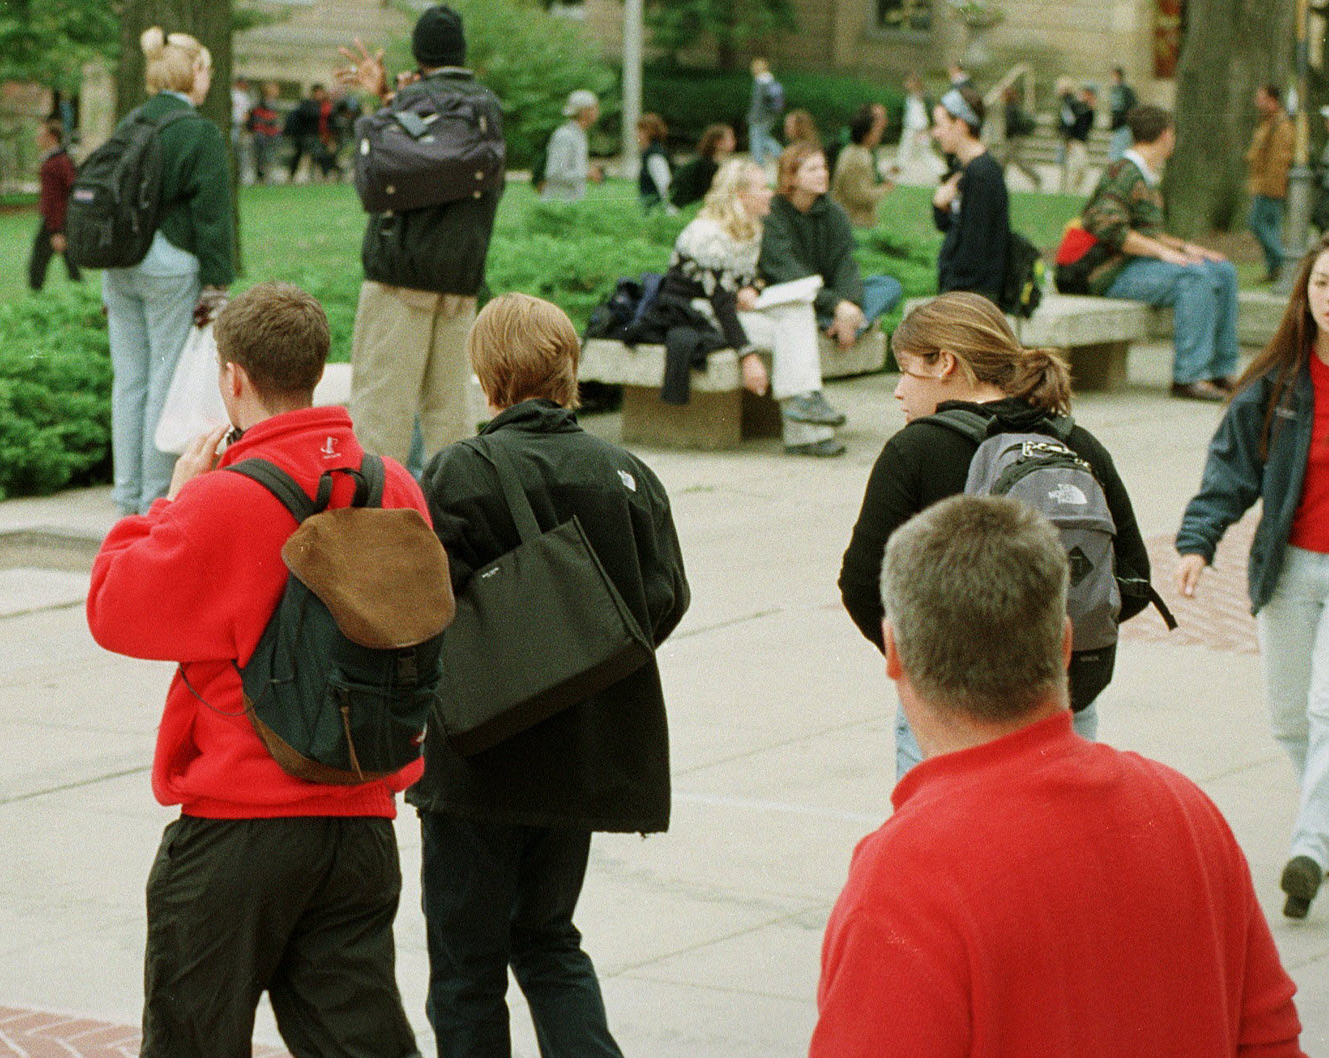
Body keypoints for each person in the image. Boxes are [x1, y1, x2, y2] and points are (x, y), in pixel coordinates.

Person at [813, 494, 1305, 1057]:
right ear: (1065, 644)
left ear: (894, 650)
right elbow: (1271, 1039)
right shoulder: (1182, 811)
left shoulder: (906, 878)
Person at [87, 280, 424, 1058]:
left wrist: (171, 503)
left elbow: (115, 610)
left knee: (193, 1038)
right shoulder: (394, 486)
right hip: (360, 818)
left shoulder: (226, 498)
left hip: (241, 821)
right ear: (317, 367)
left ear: (231, 377)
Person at [413, 292, 690, 1058]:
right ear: (568, 369)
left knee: (466, 967)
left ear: (488, 375)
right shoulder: (626, 472)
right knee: (548, 939)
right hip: (581, 756)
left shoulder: (461, 472)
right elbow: (664, 598)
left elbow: (421, 604)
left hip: (480, 760)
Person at [837, 291, 1154, 776]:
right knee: (1048, 840)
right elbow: (1132, 580)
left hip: (947, 704)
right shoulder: (1074, 442)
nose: (899, 390)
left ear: (946, 363)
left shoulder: (916, 450)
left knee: (946, 843)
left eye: (906, 370)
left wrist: (922, 663)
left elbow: (861, 583)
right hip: (1059, 700)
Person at [1176, 235, 1329, 920]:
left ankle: (1311, 848)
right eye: (1323, 285)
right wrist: (1197, 543)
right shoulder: (1280, 384)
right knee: (1289, 719)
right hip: (1289, 567)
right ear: (1306, 294)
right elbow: (1230, 471)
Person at [336, 5, 504, 470]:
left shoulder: (410, 101)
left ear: (419, 52)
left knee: (379, 419)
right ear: (461, 51)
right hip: (460, 283)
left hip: (398, 279)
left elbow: (409, 158)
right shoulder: (486, 107)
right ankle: (452, 529)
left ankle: (375, 532)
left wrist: (387, 96)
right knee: (450, 421)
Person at [100, 27, 235, 515]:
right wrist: (219, 281)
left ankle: (126, 497)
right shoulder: (198, 131)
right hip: (171, 266)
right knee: (165, 382)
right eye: (207, 71)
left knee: (129, 382)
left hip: (120, 264)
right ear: (194, 72)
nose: (209, 81)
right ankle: (157, 499)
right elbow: (213, 217)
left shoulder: (130, 123)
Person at [667, 158, 847, 457]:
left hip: (727, 309)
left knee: (797, 311)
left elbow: (747, 280)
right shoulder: (708, 234)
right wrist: (747, 355)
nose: (771, 193)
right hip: (695, 314)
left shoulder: (751, 228)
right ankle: (806, 430)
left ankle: (806, 407)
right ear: (740, 196)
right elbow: (720, 303)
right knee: (790, 327)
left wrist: (753, 288)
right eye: (763, 188)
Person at [1075, 103, 1239, 401]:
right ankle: (1189, 376)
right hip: (1112, 273)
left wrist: (1187, 248)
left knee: (1223, 270)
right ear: (1165, 135)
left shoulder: (1144, 175)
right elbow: (1106, 224)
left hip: (1138, 267)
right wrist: (1164, 254)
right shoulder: (1123, 173)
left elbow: (1147, 232)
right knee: (1196, 278)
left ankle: (1221, 370)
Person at [763, 144, 904, 355]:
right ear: (791, 178)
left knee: (887, 286)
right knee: (794, 304)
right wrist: (836, 305)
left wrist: (848, 305)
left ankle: (839, 324)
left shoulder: (834, 213)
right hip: (795, 296)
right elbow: (786, 273)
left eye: (824, 168)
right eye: (812, 169)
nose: (822, 174)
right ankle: (849, 324)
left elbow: (845, 264)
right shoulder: (773, 215)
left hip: (830, 300)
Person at [930, 87, 1010, 304]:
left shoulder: (982, 174)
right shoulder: (963, 169)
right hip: (961, 291)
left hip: (973, 297)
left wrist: (952, 291)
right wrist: (939, 206)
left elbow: (975, 249)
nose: (935, 133)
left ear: (961, 125)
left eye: (939, 125)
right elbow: (951, 226)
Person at [1248, 83, 1296, 283]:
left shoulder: (1282, 126)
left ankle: (1282, 262)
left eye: (1262, 99)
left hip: (1271, 187)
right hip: (1263, 185)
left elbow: (1280, 161)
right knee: (1270, 227)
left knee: (1256, 223)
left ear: (1273, 101)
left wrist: (1270, 188)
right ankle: (1275, 270)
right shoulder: (1269, 122)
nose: (1258, 103)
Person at [27, 118, 79, 293]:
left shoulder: (56, 164)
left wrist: (57, 230)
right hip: (59, 221)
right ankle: (81, 295)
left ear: (51, 137)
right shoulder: (60, 161)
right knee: (69, 263)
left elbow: (57, 199)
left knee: (38, 264)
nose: (37, 139)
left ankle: (37, 300)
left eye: (41, 135)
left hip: (56, 222)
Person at [829, 103, 893, 228]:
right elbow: (860, 196)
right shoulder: (858, 157)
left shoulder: (853, 151)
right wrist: (885, 189)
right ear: (866, 134)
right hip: (853, 221)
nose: (879, 134)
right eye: (876, 130)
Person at [541, 89, 601, 203]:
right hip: (557, 205)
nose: (597, 112)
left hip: (571, 204)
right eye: (594, 108)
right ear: (583, 111)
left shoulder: (580, 135)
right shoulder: (564, 136)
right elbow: (555, 173)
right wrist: (586, 174)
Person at [670, 123, 732, 210]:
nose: (733, 141)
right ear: (718, 142)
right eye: (730, 138)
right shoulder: (706, 167)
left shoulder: (712, 163)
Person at [896, 74, 942, 184]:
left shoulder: (924, 98)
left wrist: (926, 129)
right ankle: (898, 170)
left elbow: (926, 115)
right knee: (904, 150)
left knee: (925, 152)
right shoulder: (909, 98)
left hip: (921, 129)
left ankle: (940, 171)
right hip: (910, 128)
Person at [1056, 78, 1096, 194]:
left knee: (1078, 168)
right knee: (1075, 168)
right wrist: (1068, 140)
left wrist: (1091, 110)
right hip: (1074, 141)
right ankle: (1068, 192)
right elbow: (1069, 122)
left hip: (1080, 141)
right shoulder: (1076, 105)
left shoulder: (1086, 108)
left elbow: (1088, 125)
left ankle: (1070, 191)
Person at [747, 58, 784, 168]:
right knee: (763, 137)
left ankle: (759, 163)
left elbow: (757, 103)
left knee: (756, 139)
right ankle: (781, 155)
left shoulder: (760, 82)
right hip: (770, 116)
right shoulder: (771, 81)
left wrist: (751, 117)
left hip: (759, 117)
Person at [635, 113, 673, 213]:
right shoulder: (648, 153)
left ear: (650, 132)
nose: (637, 134)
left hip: (656, 212)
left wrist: (671, 212)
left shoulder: (654, 156)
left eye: (641, 130)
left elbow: (665, 185)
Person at [249, 83, 283, 184]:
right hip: (263, 134)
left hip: (273, 134)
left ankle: (268, 174)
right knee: (262, 156)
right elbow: (258, 120)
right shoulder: (261, 104)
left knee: (271, 155)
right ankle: (262, 175)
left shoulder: (275, 103)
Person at [1108, 65, 1138, 159]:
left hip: (1124, 125)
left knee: (1119, 152)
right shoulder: (1114, 90)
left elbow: (1132, 107)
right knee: (1115, 152)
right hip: (1117, 126)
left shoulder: (1126, 90)